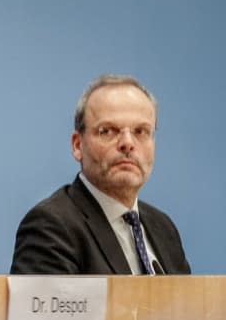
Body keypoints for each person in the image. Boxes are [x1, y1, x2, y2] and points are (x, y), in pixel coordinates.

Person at [10, 74, 190, 275]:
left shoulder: (163, 228)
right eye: (108, 131)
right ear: (77, 145)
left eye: (140, 131)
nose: (127, 143)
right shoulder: (51, 226)